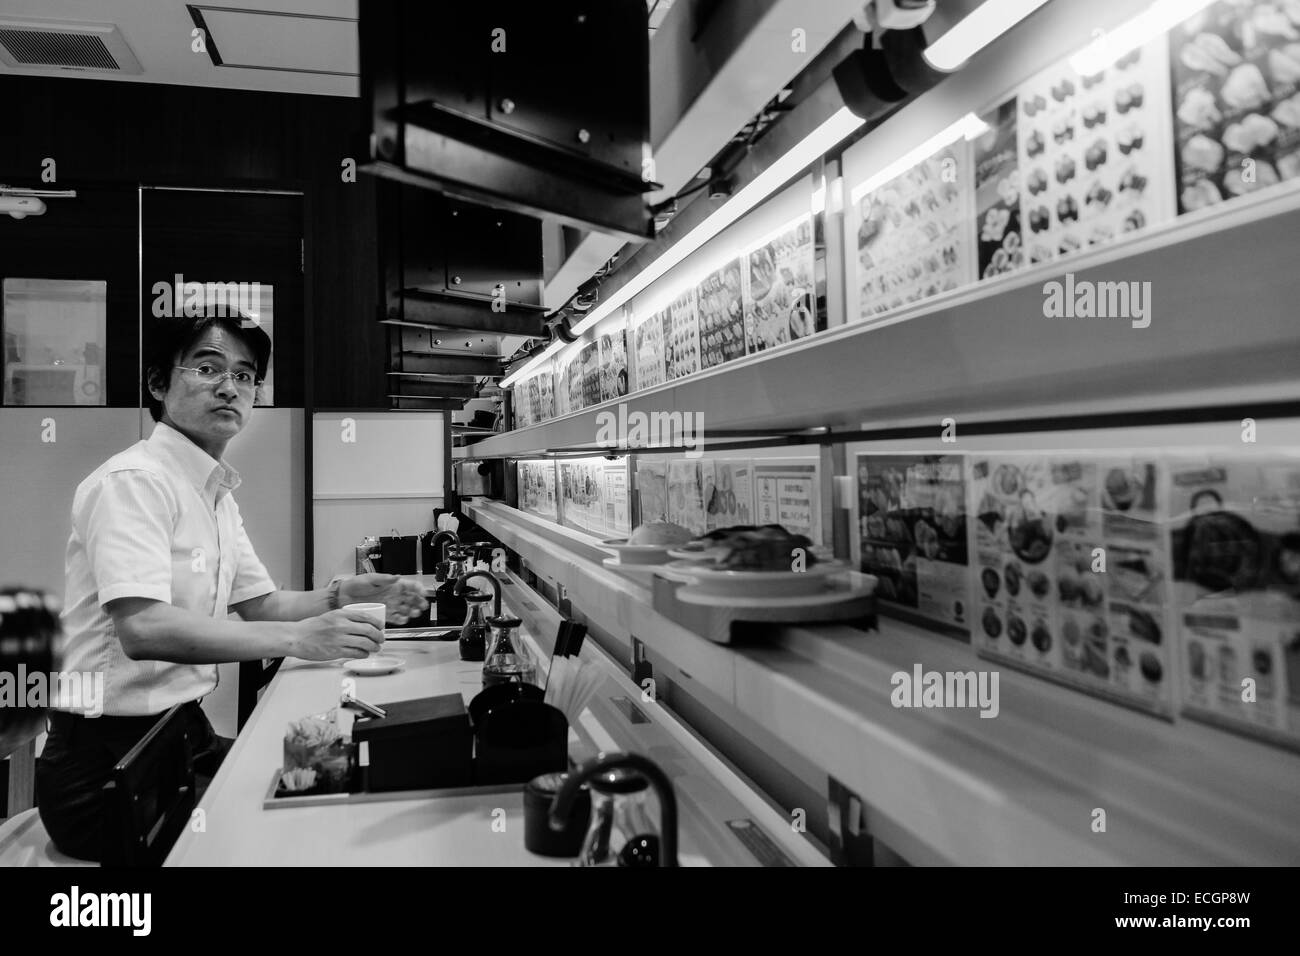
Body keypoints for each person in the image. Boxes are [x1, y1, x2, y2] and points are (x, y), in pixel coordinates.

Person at [36, 313, 428, 862]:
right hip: (106, 771)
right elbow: (143, 629)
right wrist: (299, 641)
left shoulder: (214, 490)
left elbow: (262, 604)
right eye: (207, 367)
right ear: (157, 384)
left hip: (179, 734)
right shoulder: (134, 482)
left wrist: (345, 596)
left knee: (320, 784)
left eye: (245, 376)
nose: (230, 387)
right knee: (286, 837)